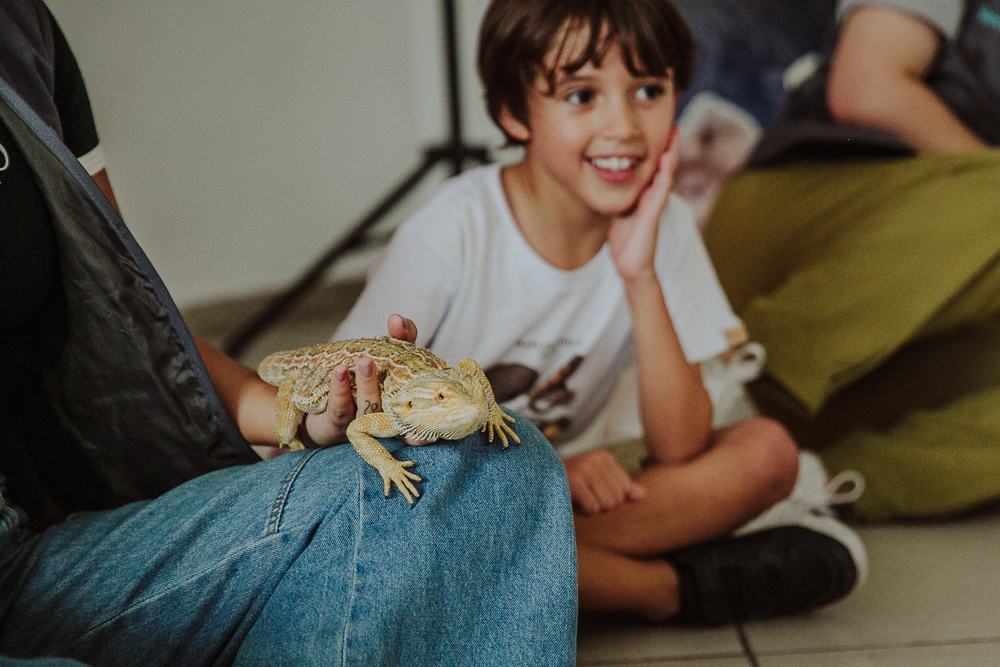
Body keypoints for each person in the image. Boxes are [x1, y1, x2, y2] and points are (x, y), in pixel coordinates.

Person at [0, 1, 578, 664]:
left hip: (32, 551)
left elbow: (122, 307)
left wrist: (299, 422)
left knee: (501, 464)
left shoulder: (22, 27)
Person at [334, 0, 867, 625]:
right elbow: (354, 416)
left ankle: (517, 578)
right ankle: (664, 590)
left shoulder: (660, 221)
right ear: (514, 113)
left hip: (555, 499)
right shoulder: (448, 232)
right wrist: (542, 466)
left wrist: (639, 273)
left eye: (647, 89)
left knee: (769, 454)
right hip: (439, 496)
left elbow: (681, 446)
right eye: (582, 96)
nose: (623, 125)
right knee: (408, 537)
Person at [703, 0, 1000, 522]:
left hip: (893, 347)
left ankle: (812, 489)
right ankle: (723, 390)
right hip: (793, 235)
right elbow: (867, 88)